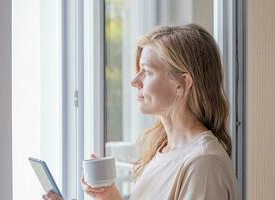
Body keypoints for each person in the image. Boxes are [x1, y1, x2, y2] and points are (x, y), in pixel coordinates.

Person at [42, 23, 239, 200]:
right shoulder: (163, 149)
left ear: (182, 84)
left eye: (147, 71)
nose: (135, 81)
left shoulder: (204, 164)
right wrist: (110, 196)